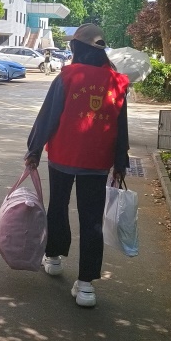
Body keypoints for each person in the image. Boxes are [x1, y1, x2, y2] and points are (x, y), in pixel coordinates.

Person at [25, 24, 129, 308]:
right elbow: (121, 125)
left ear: (76, 48)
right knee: (92, 219)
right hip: (98, 160)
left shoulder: (67, 76)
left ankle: (54, 259)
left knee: (58, 206)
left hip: (63, 156)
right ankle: (86, 286)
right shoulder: (118, 82)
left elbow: (49, 116)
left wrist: (34, 149)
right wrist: (120, 162)